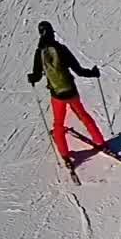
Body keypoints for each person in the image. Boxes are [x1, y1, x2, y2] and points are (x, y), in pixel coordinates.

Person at [26, 21, 106, 165]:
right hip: (71, 91)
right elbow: (79, 70)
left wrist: (31, 78)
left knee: (58, 123)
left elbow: (37, 76)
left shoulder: (40, 53)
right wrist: (93, 73)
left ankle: (64, 154)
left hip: (57, 95)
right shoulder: (61, 49)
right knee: (83, 115)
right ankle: (99, 141)